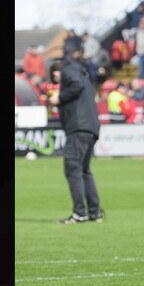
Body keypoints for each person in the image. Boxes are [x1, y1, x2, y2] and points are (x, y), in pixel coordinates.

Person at [47, 59, 103, 224]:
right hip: (90, 128)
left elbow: (75, 86)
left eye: (55, 77)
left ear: (56, 72)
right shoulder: (83, 77)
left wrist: (59, 97)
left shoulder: (68, 72)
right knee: (84, 170)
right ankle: (94, 212)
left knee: (72, 168)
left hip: (78, 128)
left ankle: (80, 213)